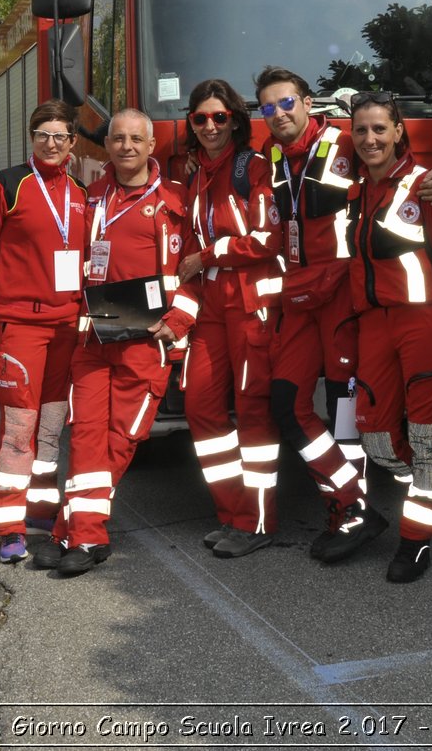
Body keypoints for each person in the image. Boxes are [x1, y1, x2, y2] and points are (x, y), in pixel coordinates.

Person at [253, 67, 432, 564]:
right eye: (267, 108)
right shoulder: (272, 156)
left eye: (287, 103)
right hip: (303, 300)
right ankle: (353, 500)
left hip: (348, 299)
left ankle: (359, 512)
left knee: (349, 415)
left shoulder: (346, 141)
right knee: (288, 405)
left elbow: (401, 167)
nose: (278, 114)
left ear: (306, 103)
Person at [33, 108, 196, 576]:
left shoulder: (176, 200)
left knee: (121, 439)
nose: (125, 147)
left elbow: (194, 270)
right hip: (93, 336)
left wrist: (180, 319)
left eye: (135, 139)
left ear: (151, 146)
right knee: (85, 435)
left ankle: (71, 528)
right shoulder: (89, 196)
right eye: (117, 138)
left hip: (146, 340)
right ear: (107, 145)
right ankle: (87, 536)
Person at [346, 92, 432, 583]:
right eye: (361, 130)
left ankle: (414, 542)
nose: (370, 139)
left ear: (399, 130)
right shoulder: (356, 193)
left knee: (424, 439)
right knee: (376, 438)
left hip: (424, 324)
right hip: (373, 326)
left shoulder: (428, 188)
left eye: (380, 128)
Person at [0, 100, 87, 564]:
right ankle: (8, 526)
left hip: (67, 326)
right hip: (19, 326)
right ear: (31, 139)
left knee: (52, 427)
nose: (51, 143)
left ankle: (40, 510)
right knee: (19, 427)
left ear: (73, 143)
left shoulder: (80, 191)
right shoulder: (5, 184)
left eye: (60, 136)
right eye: (43, 135)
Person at [177, 78, 284, 558]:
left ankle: (257, 521)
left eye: (219, 117)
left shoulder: (254, 167)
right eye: (200, 118)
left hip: (250, 304)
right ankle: (232, 511)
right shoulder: (194, 172)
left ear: (235, 120)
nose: (210, 126)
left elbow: (268, 239)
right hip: (211, 304)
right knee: (200, 406)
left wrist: (208, 254)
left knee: (254, 411)